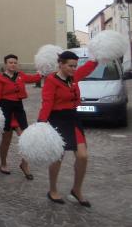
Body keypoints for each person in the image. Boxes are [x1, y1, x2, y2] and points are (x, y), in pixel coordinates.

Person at [38, 51, 98, 206]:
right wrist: (41, 123)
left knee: (83, 156)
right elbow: (47, 103)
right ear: (61, 64)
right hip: (57, 119)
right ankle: (52, 190)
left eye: (75, 66)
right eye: (70, 66)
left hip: (73, 118)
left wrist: (99, 57)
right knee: (57, 158)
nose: (74, 69)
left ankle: (76, 190)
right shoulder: (51, 80)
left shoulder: (74, 77)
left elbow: (87, 69)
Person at [0, 54, 41, 179]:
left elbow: (33, 78)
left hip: (18, 110)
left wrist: (44, 71)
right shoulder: (0, 78)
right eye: (10, 62)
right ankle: (3, 163)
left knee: (26, 140)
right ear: (5, 64)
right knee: (6, 141)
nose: (13, 64)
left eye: (15, 62)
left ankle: (24, 165)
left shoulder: (21, 76)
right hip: (6, 110)